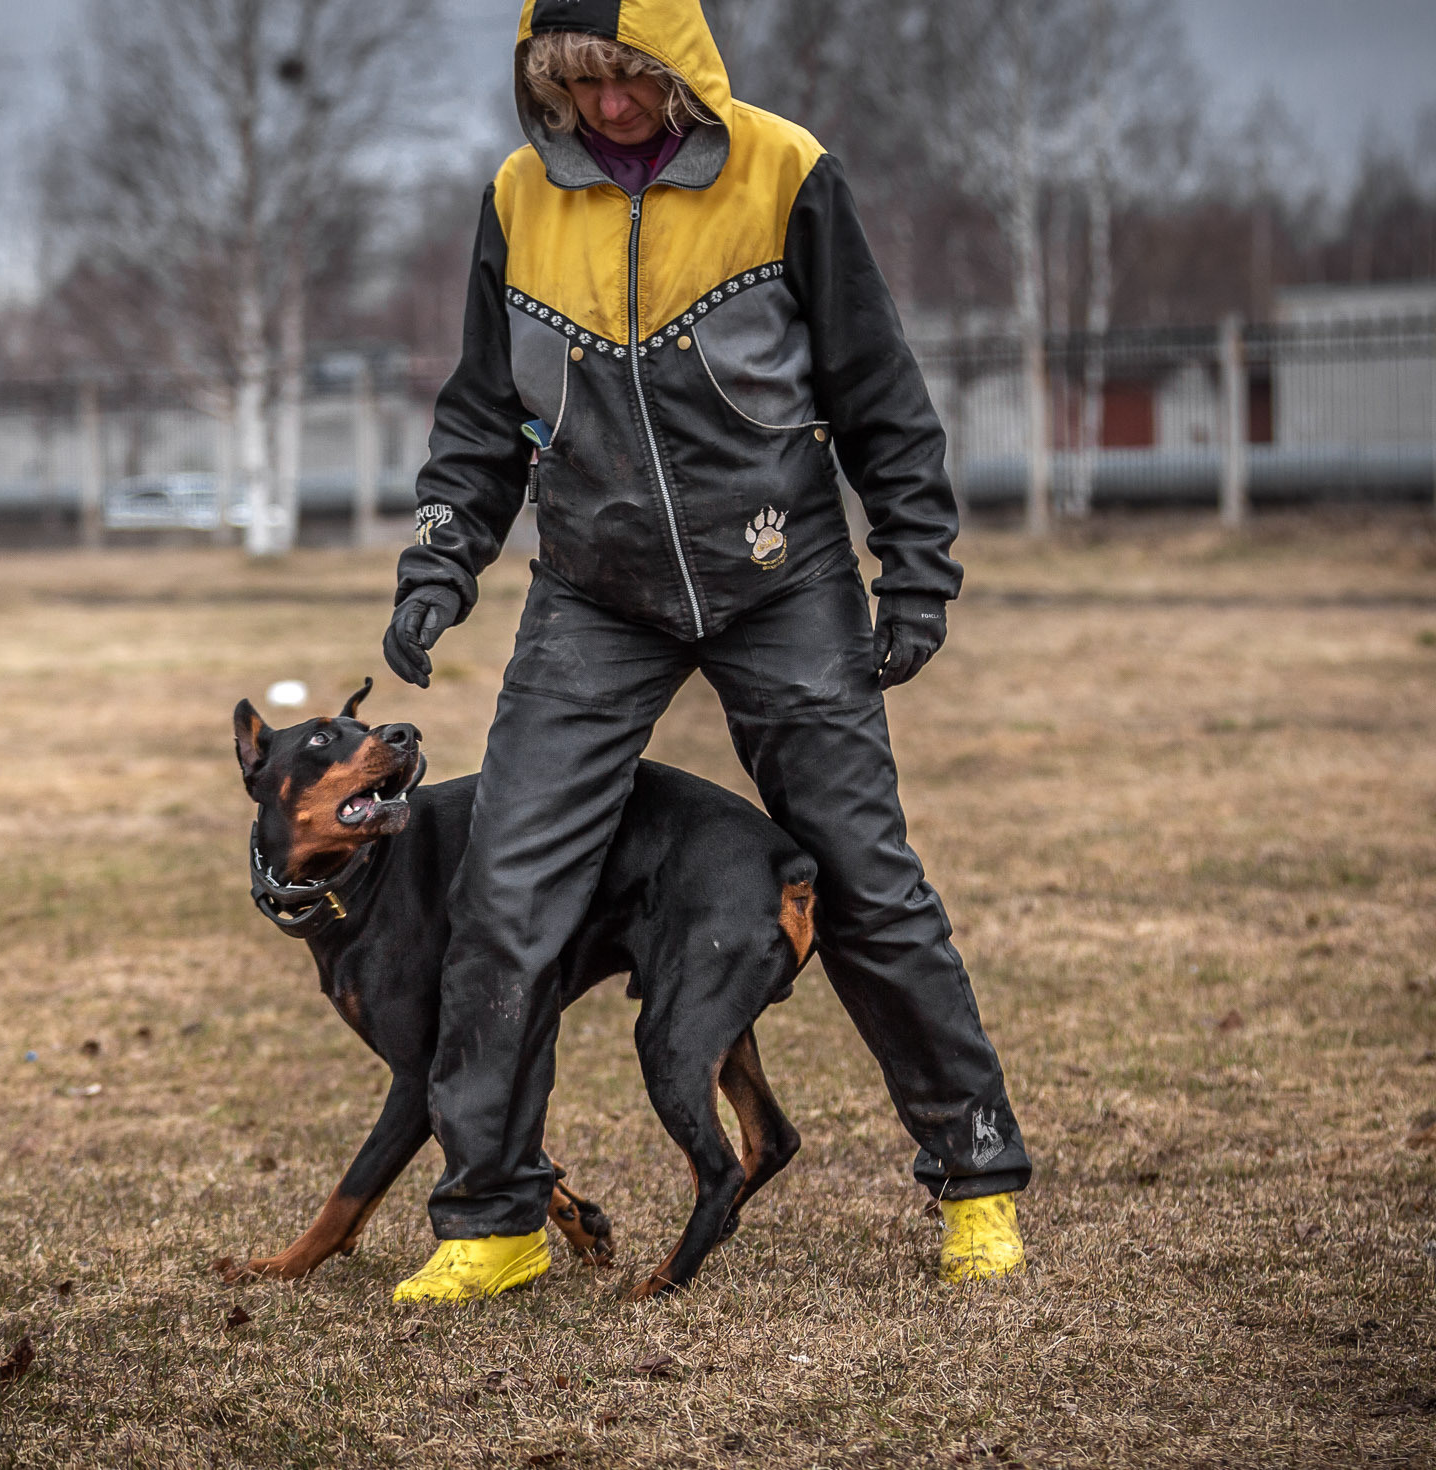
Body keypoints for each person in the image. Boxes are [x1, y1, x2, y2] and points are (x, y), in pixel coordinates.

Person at [383, 0, 1030, 1303]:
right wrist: (441, 560)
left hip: (780, 579)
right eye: (572, 86)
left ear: (677, 64)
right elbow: (481, 414)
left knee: (865, 878)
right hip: (592, 596)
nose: (604, 109)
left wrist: (915, 562)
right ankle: (494, 1213)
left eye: (625, 79)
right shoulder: (519, 198)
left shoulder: (785, 172)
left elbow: (878, 391)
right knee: (506, 894)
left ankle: (976, 1177)